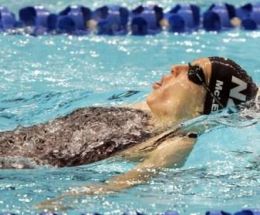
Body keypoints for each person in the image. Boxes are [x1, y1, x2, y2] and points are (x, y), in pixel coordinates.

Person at [0, 57, 259, 208]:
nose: (175, 68)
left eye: (193, 73)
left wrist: (62, 202)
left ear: (206, 102)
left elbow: (123, 184)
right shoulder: (144, 109)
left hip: (19, 167)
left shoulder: (176, 140)